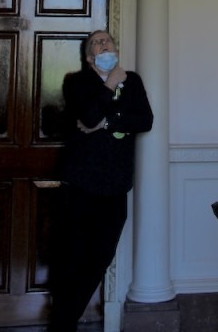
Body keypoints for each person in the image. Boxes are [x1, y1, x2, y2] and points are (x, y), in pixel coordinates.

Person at [49, 30, 153, 332]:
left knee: (100, 258)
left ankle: (65, 319)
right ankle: (62, 325)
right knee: (72, 258)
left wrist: (109, 122)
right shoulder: (76, 82)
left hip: (116, 186)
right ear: (88, 57)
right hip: (82, 186)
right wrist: (109, 85)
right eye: (97, 42)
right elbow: (88, 117)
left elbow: (145, 120)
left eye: (107, 40)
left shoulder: (132, 81)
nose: (104, 44)